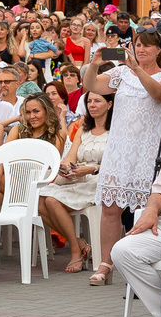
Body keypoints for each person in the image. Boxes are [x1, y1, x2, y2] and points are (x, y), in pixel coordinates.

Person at [89, 27, 161, 283]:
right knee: (110, 208)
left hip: (149, 150)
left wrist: (137, 69)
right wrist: (94, 65)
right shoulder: (121, 73)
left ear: (158, 50)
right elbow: (92, 86)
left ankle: (138, 264)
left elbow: (160, 95)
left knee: (143, 209)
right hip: (120, 149)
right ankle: (106, 264)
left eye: (147, 45)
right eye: (138, 44)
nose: (141, 49)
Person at [37, 87, 113, 275]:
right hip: (79, 176)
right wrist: (68, 169)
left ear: (109, 104)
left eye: (97, 101)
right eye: (89, 102)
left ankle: (75, 252)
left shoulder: (116, 132)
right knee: (39, 200)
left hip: (100, 179)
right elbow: (71, 158)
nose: (92, 105)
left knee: (52, 201)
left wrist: (92, 169)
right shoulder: (83, 130)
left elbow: (119, 166)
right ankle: (78, 244)